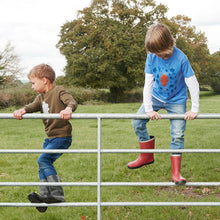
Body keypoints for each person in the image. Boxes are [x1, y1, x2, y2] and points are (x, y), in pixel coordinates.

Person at [127, 23, 199, 186]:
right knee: (137, 121)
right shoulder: (151, 57)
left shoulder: (181, 58)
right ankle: (146, 156)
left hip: (177, 100)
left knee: (178, 134)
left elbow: (192, 83)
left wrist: (194, 109)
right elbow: (148, 83)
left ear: (169, 43)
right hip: (155, 96)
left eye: (162, 54)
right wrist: (149, 108)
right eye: (156, 53)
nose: (159, 56)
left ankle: (176, 173)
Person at [13, 64, 78, 212]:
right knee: (42, 165)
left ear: (45, 80)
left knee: (43, 160)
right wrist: (21, 111)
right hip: (50, 138)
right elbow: (31, 107)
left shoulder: (58, 91)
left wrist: (68, 109)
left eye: (33, 83)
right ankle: (44, 197)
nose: (32, 86)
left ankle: (57, 194)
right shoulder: (40, 97)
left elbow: (71, 101)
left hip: (62, 136)